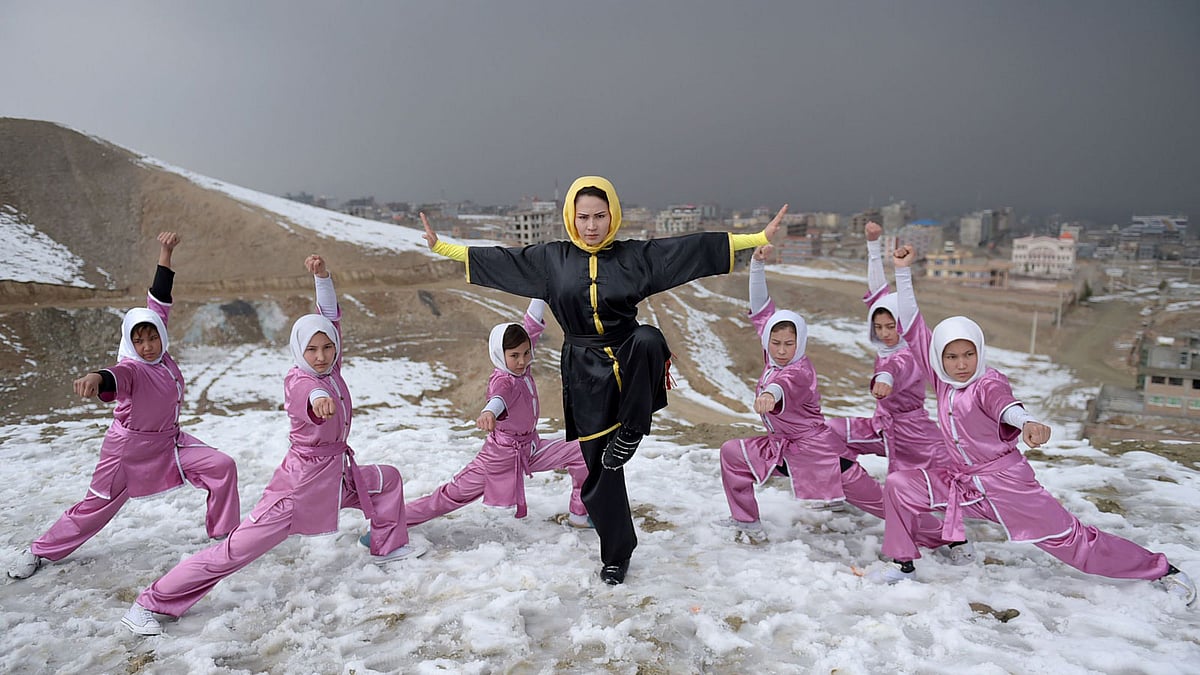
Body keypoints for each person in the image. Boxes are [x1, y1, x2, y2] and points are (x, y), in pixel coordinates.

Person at [421, 175, 780, 584]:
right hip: (583, 372)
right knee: (600, 471)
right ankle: (616, 552)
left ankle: (632, 428)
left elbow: (688, 251)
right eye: (584, 217)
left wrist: (755, 237)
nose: (592, 226)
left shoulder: (635, 257)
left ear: (613, 215)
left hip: (628, 356)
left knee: (649, 337)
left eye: (600, 216)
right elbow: (503, 260)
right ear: (572, 219)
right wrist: (441, 247)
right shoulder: (551, 259)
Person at [121, 254, 427, 636]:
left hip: (334, 477)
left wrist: (323, 278)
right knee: (232, 553)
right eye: (312, 350)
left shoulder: (330, 366)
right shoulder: (303, 380)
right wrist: (319, 403)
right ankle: (148, 603)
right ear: (300, 351)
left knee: (387, 480)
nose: (320, 356)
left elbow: (330, 320)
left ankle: (387, 547)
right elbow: (310, 397)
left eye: (327, 349)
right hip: (299, 490)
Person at [874, 244, 1195, 605]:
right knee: (902, 484)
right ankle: (904, 565)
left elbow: (1004, 405)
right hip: (962, 483)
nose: (961, 363)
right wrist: (901, 271)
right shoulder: (943, 380)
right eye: (951, 355)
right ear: (940, 358)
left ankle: (1160, 569)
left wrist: (1025, 421)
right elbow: (914, 325)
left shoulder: (987, 382)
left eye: (968, 354)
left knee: (1077, 546)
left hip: (1008, 487)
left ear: (979, 353)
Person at [7, 232, 240, 580]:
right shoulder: (132, 368)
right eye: (139, 340)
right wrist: (94, 377)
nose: (147, 345)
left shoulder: (162, 356)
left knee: (221, 465)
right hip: (127, 452)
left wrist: (165, 252)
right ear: (130, 343)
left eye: (152, 337)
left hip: (169, 443)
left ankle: (224, 536)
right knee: (95, 507)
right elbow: (112, 376)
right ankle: (39, 551)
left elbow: (159, 300)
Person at [387, 298, 590, 531]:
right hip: (499, 457)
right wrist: (488, 413)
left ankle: (579, 514)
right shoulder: (504, 380)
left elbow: (531, 328)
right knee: (450, 496)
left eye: (526, 353)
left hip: (530, 448)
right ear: (499, 354)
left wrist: (542, 293)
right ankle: (388, 524)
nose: (522, 360)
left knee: (582, 451)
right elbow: (497, 399)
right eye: (515, 355)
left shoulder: (520, 366)